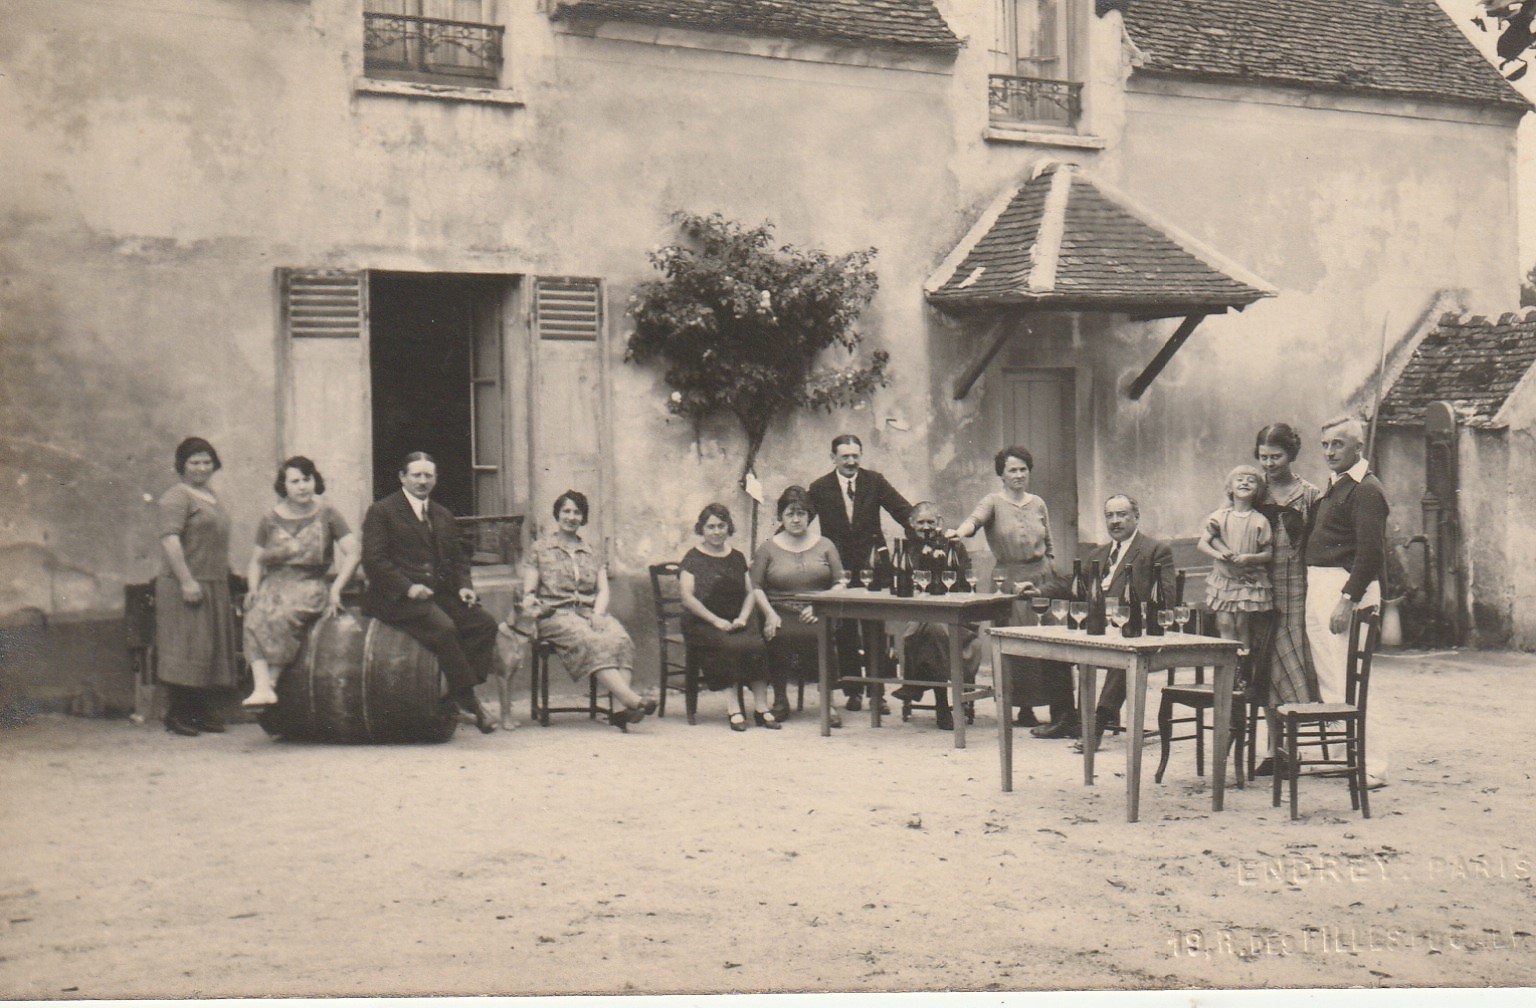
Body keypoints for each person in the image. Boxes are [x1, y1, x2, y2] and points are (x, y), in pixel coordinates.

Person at [361, 452, 499, 734]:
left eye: (428, 476)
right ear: (402, 477)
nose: (422, 481)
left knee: (484, 624)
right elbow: (374, 561)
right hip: (396, 598)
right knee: (445, 628)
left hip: (437, 595)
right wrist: (408, 587)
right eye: (416, 475)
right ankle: (468, 701)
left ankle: (450, 695)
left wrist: (464, 588)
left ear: (435, 479)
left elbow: (459, 559)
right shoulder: (382, 511)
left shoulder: (442, 515)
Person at [948, 445, 1070, 734]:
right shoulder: (992, 501)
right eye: (1012, 470)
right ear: (1001, 475)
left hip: (1041, 579)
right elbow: (973, 521)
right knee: (1016, 641)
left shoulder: (1038, 503)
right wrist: (957, 532)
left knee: (1048, 641)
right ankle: (1021, 706)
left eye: (1023, 469)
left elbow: (1049, 542)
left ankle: (1057, 711)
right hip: (1010, 581)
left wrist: (1049, 570)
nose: (1018, 475)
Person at [1302, 415, 1390, 787]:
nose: (1329, 452)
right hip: (1320, 585)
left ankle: (1372, 765)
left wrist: (1347, 601)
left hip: (1345, 588)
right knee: (1331, 679)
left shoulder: (1366, 489)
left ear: (1358, 447)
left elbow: (1370, 553)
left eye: (1337, 444)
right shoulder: (1337, 485)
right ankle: (1343, 757)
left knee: (1354, 679)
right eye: (1324, 444)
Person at [518, 490, 651, 729]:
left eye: (577, 512)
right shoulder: (541, 549)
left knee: (619, 638)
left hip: (590, 613)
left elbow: (603, 590)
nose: (571, 517)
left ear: (583, 517)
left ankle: (621, 711)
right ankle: (631, 700)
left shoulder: (592, 551)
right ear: (557, 515)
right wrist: (533, 612)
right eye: (566, 511)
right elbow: (529, 591)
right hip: (555, 615)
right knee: (590, 639)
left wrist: (598, 615)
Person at [241, 457, 361, 707]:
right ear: (283, 486)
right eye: (294, 481)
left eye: (307, 479)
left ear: (315, 481)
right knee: (255, 613)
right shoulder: (270, 518)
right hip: (273, 582)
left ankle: (270, 684)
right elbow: (256, 561)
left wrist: (336, 588)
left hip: (309, 583)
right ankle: (262, 686)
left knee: (283, 614)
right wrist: (253, 588)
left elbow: (354, 552)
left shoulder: (327, 513)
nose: (302, 486)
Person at [807, 434, 912, 713]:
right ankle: (853, 691)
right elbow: (799, 519)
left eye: (856, 456)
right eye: (845, 457)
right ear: (833, 458)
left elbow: (903, 511)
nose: (851, 461)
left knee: (875, 629)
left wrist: (926, 532)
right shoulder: (819, 488)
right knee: (845, 631)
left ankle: (877, 693)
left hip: (872, 567)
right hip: (838, 568)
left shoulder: (874, 481)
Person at [1074, 494, 1176, 748]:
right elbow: (1072, 584)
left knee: (1126, 648)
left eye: (1122, 515)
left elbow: (1167, 597)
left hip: (1138, 629)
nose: (1115, 521)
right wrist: (1038, 589)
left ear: (1136, 517)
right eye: (1110, 516)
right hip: (1100, 626)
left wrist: (1133, 615)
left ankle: (1098, 722)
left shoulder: (1155, 551)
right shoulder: (1098, 554)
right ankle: (1070, 717)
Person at [154, 437, 239, 736]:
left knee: (206, 649)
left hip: (212, 583)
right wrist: (187, 580)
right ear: (182, 466)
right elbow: (170, 540)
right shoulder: (176, 497)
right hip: (185, 584)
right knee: (186, 647)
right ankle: (177, 715)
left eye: (207, 462)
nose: (202, 468)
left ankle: (197, 713)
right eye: (194, 462)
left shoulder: (209, 496)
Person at [1251, 423, 1322, 775]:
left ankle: (1292, 749)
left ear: (1291, 455)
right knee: (1263, 666)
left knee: (1289, 663)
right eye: (1262, 457)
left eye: (1275, 457)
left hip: (1296, 589)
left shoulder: (1309, 494)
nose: (1268, 464)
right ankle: (1272, 749)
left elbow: (1319, 545)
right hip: (1257, 589)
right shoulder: (1252, 491)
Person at [750, 485, 845, 727]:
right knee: (777, 634)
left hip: (817, 610)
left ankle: (828, 701)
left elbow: (840, 582)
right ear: (781, 516)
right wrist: (769, 615)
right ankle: (780, 699)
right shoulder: (768, 547)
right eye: (790, 513)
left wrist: (820, 607)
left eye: (801, 513)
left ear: (809, 516)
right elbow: (756, 586)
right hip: (779, 610)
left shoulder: (825, 545)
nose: (795, 519)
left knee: (823, 635)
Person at [678, 503, 777, 732]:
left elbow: (750, 591)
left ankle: (761, 708)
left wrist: (743, 617)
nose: (716, 531)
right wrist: (716, 621)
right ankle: (734, 708)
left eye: (721, 526)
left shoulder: (737, 557)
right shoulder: (692, 558)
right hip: (702, 622)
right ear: (701, 529)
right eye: (710, 526)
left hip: (735, 619)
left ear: (728, 527)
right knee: (728, 645)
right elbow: (687, 598)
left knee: (756, 643)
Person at [890, 502, 977, 730]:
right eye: (920, 522)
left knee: (934, 628)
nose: (926, 527)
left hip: (953, 618)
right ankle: (941, 705)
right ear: (911, 524)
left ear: (940, 522)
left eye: (931, 522)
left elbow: (965, 584)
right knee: (932, 628)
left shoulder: (954, 547)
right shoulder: (906, 549)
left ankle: (915, 686)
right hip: (918, 617)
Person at [1199, 464, 1275, 661]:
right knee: (1224, 623)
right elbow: (1203, 543)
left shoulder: (1260, 520)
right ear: (1230, 487)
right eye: (1239, 479)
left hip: (1247, 581)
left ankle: (1243, 667)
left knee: (1242, 624)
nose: (1245, 483)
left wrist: (1249, 558)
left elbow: (1268, 553)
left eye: (1251, 481)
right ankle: (1227, 665)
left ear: (1258, 490)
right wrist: (1220, 555)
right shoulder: (1219, 517)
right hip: (1224, 579)